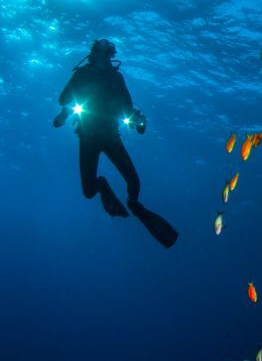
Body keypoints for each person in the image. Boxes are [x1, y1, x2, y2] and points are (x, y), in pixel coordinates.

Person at [53, 39, 178, 248]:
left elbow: (128, 107)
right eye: (100, 53)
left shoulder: (116, 77)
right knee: (89, 192)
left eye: (107, 54)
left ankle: (134, 205)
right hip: (87, 137)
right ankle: (101, 186)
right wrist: (67, 111)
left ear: (110, 56)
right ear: (93, 54)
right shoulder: (81, 74)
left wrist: (139, 121)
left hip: (111, 136)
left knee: (134, 182)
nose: (104, 58)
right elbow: (63, 99)